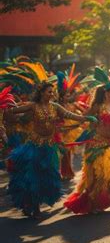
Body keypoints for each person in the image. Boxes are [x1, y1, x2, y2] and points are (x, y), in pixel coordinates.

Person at [7, 82, 96, 218]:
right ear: (41, 93)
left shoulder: (55, 106)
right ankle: (34, 206)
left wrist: (85, 118)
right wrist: (7, 106)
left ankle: (35, 204)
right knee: (33, 177)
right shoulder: (33, 106)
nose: (52, 94)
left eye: (53, 91)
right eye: (49, 91)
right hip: (34, 147)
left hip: (49, 147)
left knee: (47, 176)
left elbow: (69, 115)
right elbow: (13, 111)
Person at [64, 67, 110, 214]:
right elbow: (84, 116)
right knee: (98, 178)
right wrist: (87, 121)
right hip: (96, 144)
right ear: (106, 93)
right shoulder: (97, 106)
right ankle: (93, 203)